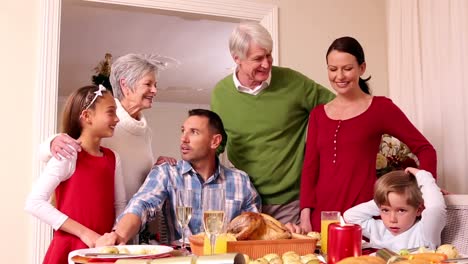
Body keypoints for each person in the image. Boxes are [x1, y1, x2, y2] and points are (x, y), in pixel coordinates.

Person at [299, 36, 438, 233]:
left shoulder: (380, 108)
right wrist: (305, 217)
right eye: (333, 69)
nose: (339, 76)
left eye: (347, 68)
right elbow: (310, 169)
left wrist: (425, 191)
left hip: (362, 217)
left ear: (362, 68)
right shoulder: (318, 115)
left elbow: (425, 149)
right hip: (321, 219)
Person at [39, 54, 177, 243]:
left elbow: (133, 175)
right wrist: (52, 142)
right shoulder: (104, 121)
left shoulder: (145, 131)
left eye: (155, 85)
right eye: (148, 84)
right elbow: (59, 150)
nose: (155, 90)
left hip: (126, 228)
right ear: (125, 86)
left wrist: (156, 168)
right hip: (95, 230)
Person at [211, 21, 335, 225]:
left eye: (269, 54)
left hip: (291, 202)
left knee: (289, 257)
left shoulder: (293, 82)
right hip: (245, 201)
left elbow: (338, 108)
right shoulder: (220, 94)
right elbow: (216, 145)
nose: (267, 64)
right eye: (258, 58)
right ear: (237, 59)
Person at [95, 109, 261, 246]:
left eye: (194, 132)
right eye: (183, 131)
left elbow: (256, 229)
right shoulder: (167, 173)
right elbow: (141, 204)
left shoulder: (241, 181)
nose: (184, 138)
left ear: (215, 141)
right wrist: (118, 235)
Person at [25, 85, 126, 264]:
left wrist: (114, 236)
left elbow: (119, 204)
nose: (117, 119)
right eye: (111, 112)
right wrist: (86, 234)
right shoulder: (67, 155)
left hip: (102, 252)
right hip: (69, 252)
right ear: (87, 116)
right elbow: (34, 202)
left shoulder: (113, 158)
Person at [343, 168, 446, 251]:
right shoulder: (378, 229)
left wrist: (422, 176)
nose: (392, 219)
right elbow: (350, 216)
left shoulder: (425, 231)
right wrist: (382, 198)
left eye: (401, 210)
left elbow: (436, 208)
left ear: (418, 210)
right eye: (385, 210)